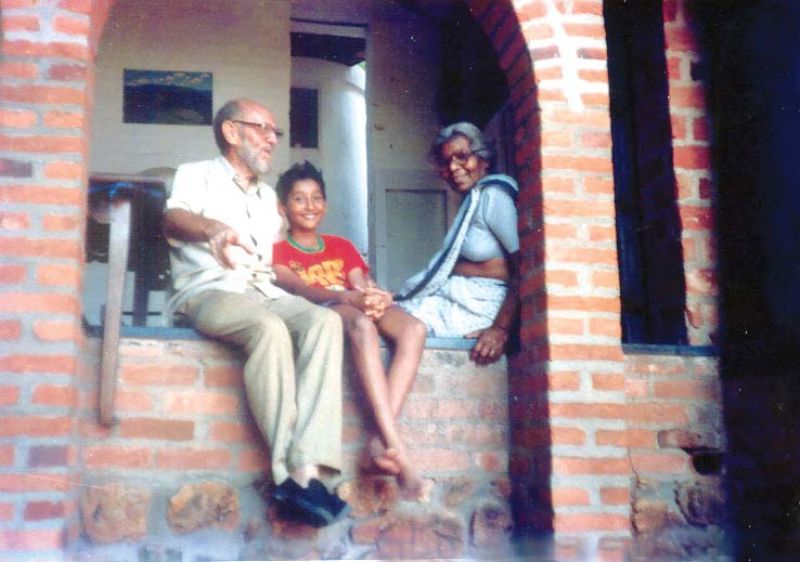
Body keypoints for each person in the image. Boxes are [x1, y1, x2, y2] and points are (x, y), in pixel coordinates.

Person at [162, 99, 348, 527]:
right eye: (262, 128)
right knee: (268, 329)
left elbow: (275, 264)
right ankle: (291, 475)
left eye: (275, 132)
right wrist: (213, 229)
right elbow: (173, 219)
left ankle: (309, 466)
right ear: (231, 132)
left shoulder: (268, 198)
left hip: (261, 289)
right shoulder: (197, 174)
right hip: (209, 291)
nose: (272, 139)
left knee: (325, 321)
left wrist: (334, 289)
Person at [271, 161, 428, 497]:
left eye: (316, 198)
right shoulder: (278, 249)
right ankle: (401, 452)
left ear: (325, 204)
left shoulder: (341, 245)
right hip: (327, 309)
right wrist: (349, 298)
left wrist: (375, 295)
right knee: (360, 324)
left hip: (353, 301)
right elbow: (302, 290)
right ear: (282, 207)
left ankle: (376, 441)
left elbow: (361, 282)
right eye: (299, 199)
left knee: (414, 329)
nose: (310, 206)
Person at [396, 122, 519, 366]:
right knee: (388, 315)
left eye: (462, 157)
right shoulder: (474, 200)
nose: (453, 167)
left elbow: (526, 269)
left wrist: (499, 329)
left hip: (478, 309)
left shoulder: (493, 198)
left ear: (483, 159)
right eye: (445, 162)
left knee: (393, 321)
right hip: (459, 300)